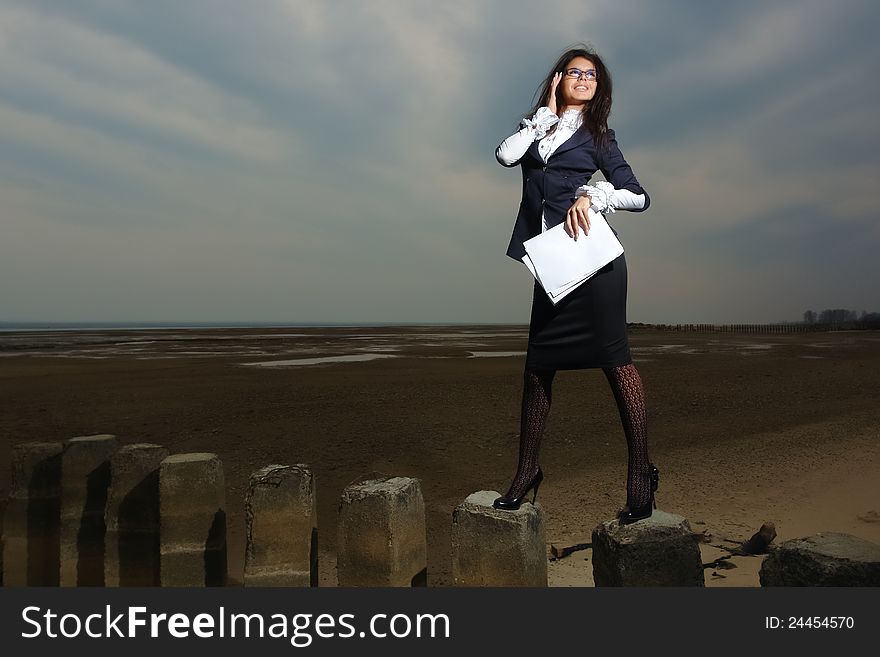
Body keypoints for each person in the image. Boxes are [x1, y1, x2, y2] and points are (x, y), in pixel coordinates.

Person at [492, 45, 659, 524]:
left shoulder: (600, 136)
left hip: (595, 265)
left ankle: (639, 475)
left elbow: (640, 196)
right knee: (537, 369)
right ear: (558, 78)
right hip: (551, 265)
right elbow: (506, 157)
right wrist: (541, 118)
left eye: (593, 75)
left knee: (616, 365)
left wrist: (594, 194)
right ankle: (527, 472)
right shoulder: (537, 130)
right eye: (575, 72)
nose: (585, 79)